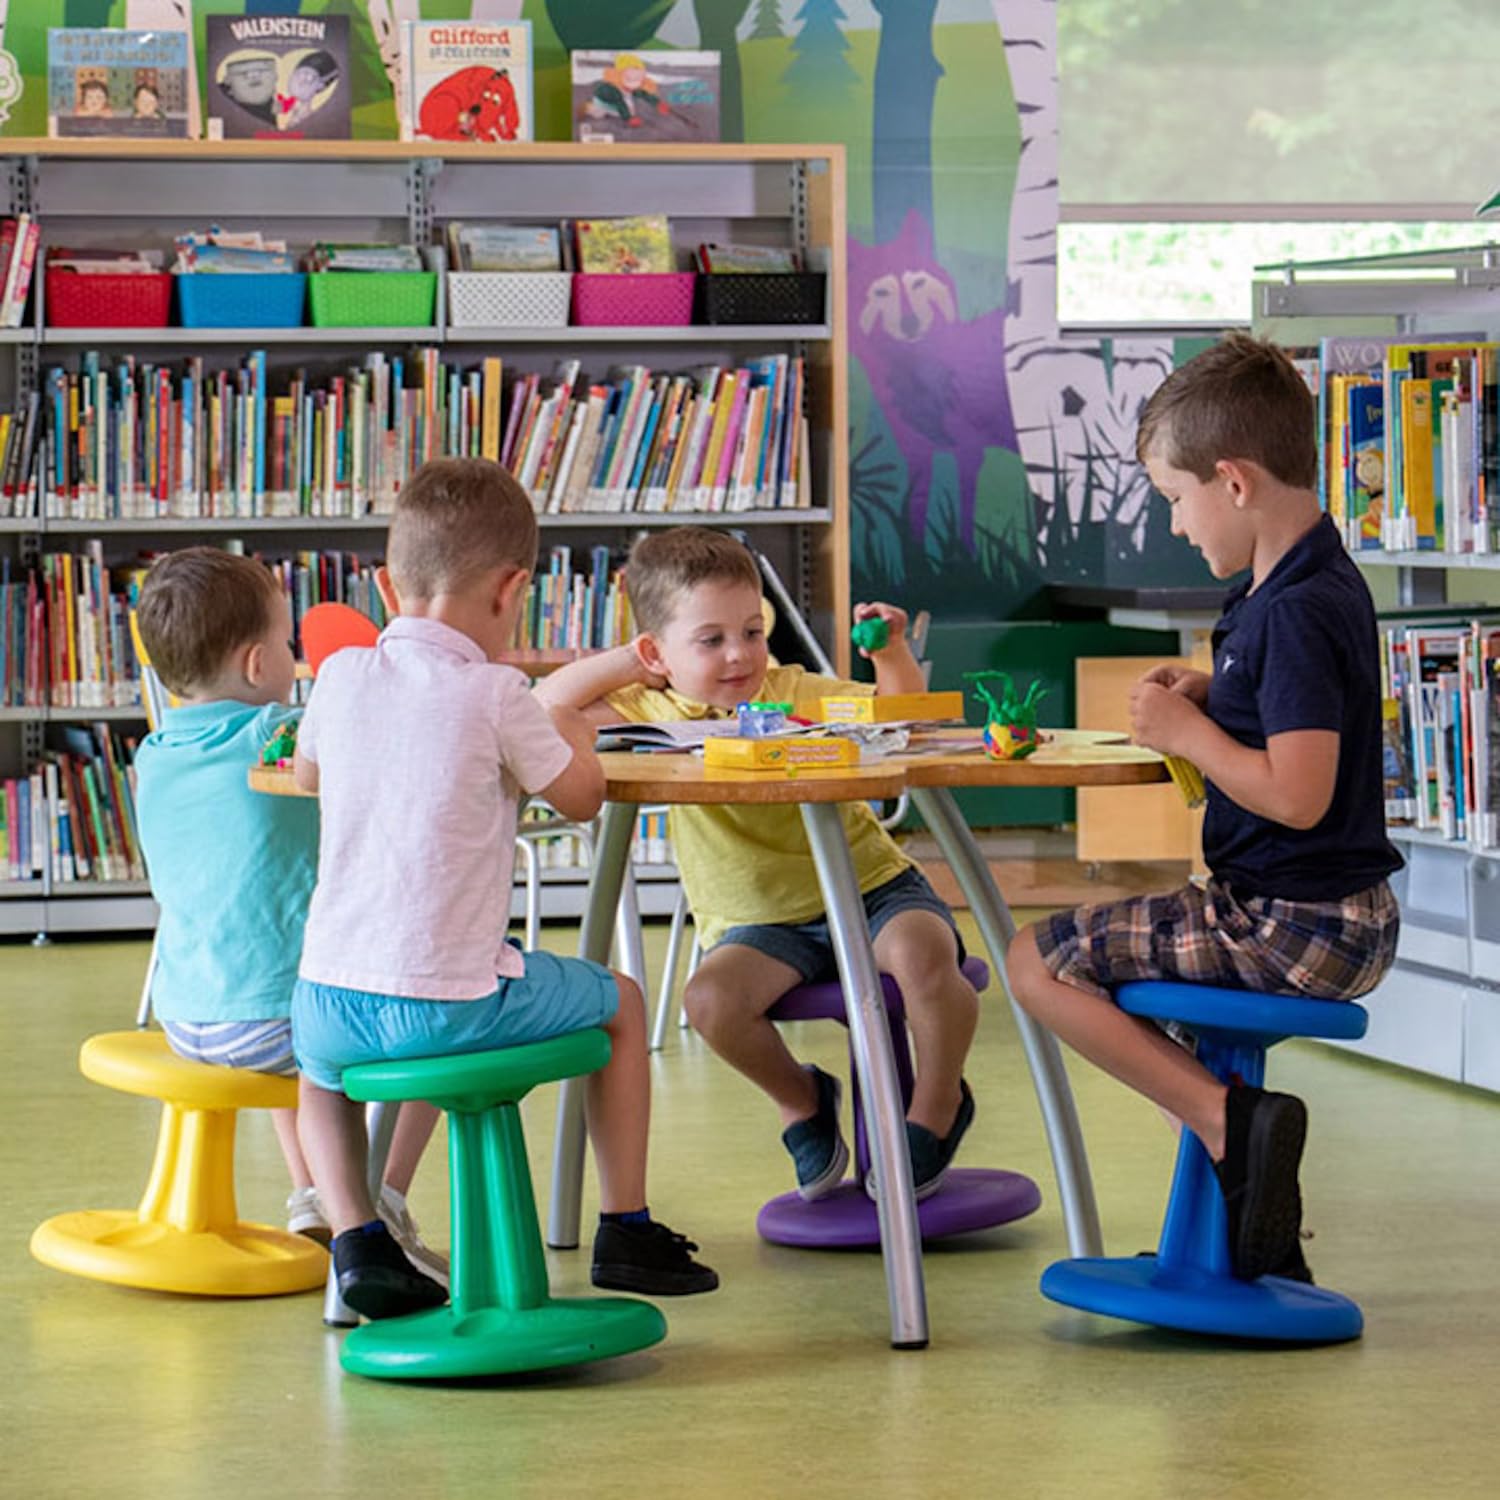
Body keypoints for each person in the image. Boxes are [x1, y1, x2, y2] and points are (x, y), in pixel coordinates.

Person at [1006, 332, 1403, 1283]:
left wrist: (1189, 735)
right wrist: (1217, 693)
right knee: (1149, 1007)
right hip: (1328, 913)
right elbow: (1302, 715)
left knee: (1033, 962)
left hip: (1293, 921)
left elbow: (1299, 797)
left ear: (1233, 481)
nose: (1178, 526)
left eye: (1176, 500)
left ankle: (1232, 1128)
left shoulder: (1291, 610)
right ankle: (1247, 1215)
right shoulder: (1306, 579)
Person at [291, 459, 718, 1319]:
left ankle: (357, 1237)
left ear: (386, 585)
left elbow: (308, 776)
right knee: (623, 1003)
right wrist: (566, 730)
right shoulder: (497, 693)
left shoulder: (339, 679)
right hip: (450, 1004)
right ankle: (626, 1226)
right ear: (513, 588)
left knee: (320, 1079)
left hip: (325, 1002)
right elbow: (583, 798)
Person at [536, 527, 981, 1204]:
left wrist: (890, 652)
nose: (739, 654)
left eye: (752, 631)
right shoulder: (647, 707)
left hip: (872, 890)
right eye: (710, 640)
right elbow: (546, 705)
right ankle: (802, 1098)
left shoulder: (792, 689)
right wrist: (634, 661)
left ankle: (938, 1102)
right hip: (759, 926)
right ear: (657, 653)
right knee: (709, 1004)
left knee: (924, 957)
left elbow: (901, 716)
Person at [133, 548, 445, 1285]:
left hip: (186, 1016)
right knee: (438, 1024)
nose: (293, 658)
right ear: (254, 663)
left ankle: (311, 1192)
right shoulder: (281, 734)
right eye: (284, 643)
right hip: (276, 1023)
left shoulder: (152, 752)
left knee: (290, 992)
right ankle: (378, 1197)